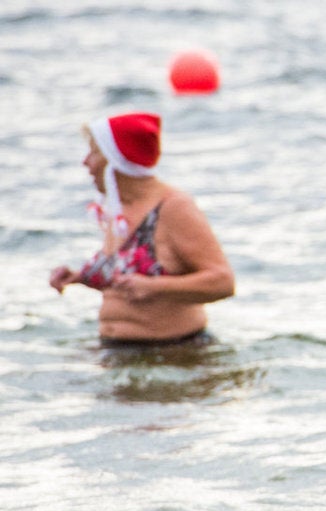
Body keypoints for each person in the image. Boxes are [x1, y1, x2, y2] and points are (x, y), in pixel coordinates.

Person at [49, 112, 235, 344]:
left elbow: (223, 281)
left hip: (174, 355)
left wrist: (155, 287)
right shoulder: (118, 208)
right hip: (118, 353)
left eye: (94, 152)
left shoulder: (174, 207)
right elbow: (126, 279)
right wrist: (82, 277)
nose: (85, 162)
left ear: (116, 160)